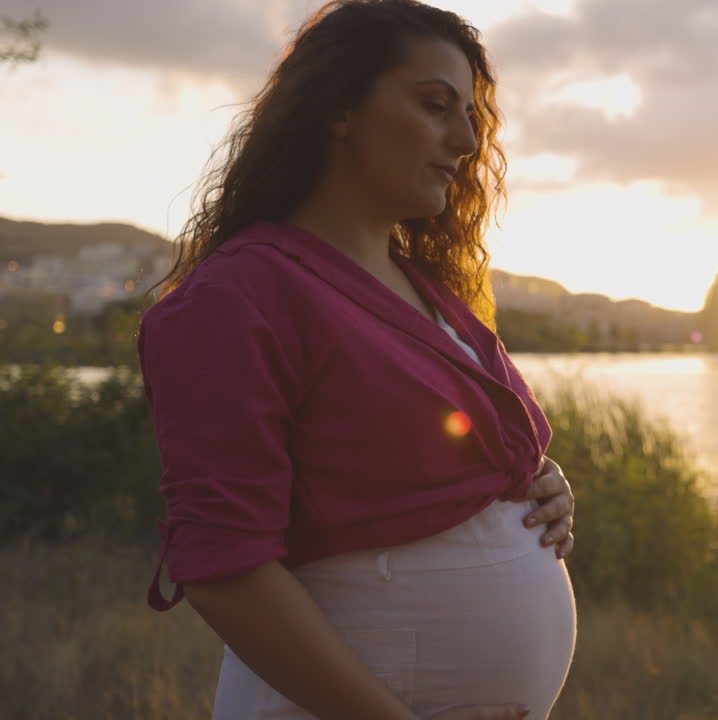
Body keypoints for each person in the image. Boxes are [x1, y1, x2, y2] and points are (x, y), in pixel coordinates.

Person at [135, 2, 577, 718]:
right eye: (435, 105)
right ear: (339, 107)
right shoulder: (240, 295)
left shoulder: (432, 291)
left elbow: (415, 460)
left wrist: (532, 482)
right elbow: (224, 567)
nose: (466, 140)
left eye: (470, 115)